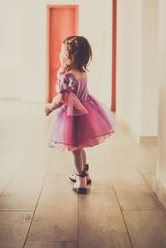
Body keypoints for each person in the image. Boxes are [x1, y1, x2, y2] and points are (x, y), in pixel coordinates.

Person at [45, 36, 115, 194]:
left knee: (75, 148)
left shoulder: (67, 78)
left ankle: (80, 179)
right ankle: (85, 172)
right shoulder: (81, 73)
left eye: (62, 52)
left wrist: (50, 107)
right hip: (86, 111)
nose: (60, 54)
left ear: (70, 57)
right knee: (80, 146)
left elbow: (62, 98)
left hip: (73, 116)